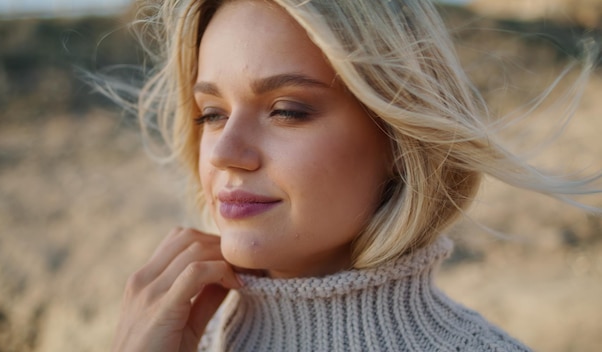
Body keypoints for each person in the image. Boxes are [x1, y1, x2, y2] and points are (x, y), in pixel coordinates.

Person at [108, 0, 599, 351]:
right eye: (211, 113)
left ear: (398, 137)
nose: (225, 154)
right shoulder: (179, 341)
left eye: (286, 110)